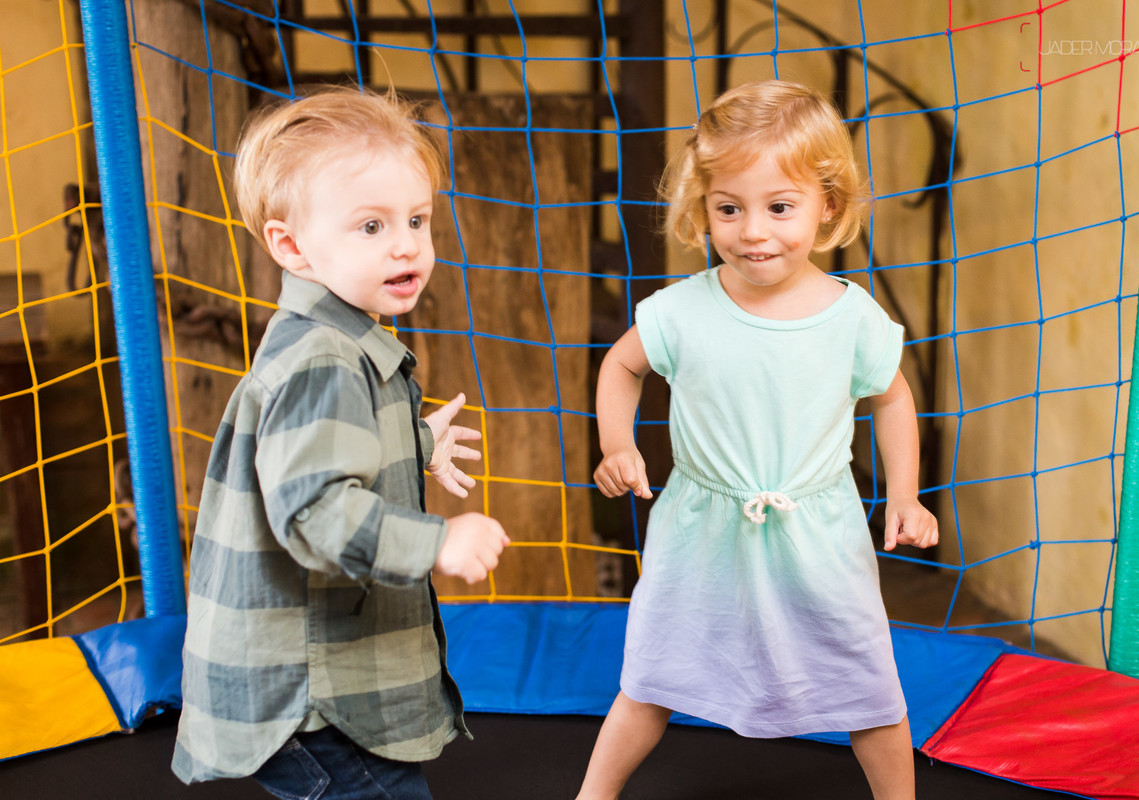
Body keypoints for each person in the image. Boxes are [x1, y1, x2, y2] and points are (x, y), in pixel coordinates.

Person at [576, 80, 939, 800]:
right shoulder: (682, 311)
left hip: (819, 531)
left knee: (867, 685)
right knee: (651, 677)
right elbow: (620, 365)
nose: (753, 231)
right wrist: (618, 445)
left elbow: (893, 396)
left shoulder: (851, 318)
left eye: (780, 207)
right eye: (729, 209)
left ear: (826, 206)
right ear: (703, 207)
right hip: (701, 530)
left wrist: (905, 493)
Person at [172, 86, 510, 800]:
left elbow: (306, 456)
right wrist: (437, 542)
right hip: (317, 699)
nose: (406, 243)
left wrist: (411, 444)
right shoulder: (326, 357)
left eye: (416, 219)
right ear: (291, 245)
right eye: (370, 226)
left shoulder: (335, 341)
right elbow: (312, 511)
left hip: (319, 694)